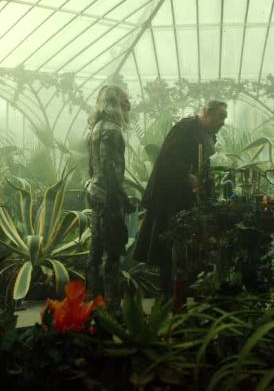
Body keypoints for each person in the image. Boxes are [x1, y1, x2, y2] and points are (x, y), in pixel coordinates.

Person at [133, 100, 228, 296]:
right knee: (170, 249)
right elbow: (168, 160)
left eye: (225, 118)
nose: (223, 122)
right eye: (220, 117)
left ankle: (179, 294)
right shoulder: (186, 128)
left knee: (185, 250)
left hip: (187, 201)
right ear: (207, 114)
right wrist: (188, 176)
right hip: (172, 201)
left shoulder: (206, 133)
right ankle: (168, 298)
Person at [85, 84, 132, 311]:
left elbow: (92, 167)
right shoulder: (112, 130)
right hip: (109, 198)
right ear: (115, 102)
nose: (129, 104)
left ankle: (93, 305)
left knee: (95, 253)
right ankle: (112, 310)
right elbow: (111, 169)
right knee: (113, 253)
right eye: (125, 99)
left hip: (96, 193)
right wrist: (122, 198)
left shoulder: (96, 128)